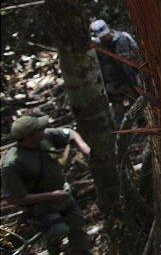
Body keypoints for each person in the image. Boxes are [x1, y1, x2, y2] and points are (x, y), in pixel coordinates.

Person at [1, 115, 92, 254]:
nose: (44, 130)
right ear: (29, 137)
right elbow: (15, 198)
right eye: (39, 129)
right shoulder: (12, 163)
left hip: (63, 196)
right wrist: (50, 196)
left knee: (77, 228)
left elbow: (70, 133)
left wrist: (83, 147)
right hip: (40, 206)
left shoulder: (45, 137)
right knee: (59, 232)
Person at [89, 19, 141, 122]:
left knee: (137, 106)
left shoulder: (123, 38)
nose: (105, 38)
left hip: (131, 77)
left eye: (105, 35)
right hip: (114, 82)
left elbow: (137, 55)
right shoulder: (99, 45)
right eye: (102, 37)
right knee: (117, 112)